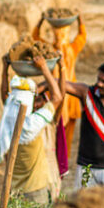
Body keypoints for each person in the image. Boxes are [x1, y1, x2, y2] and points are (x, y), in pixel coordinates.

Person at [0, 56, 64, 203]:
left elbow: (5, 97)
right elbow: (58, 97)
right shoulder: (32, 124)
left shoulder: (8, 121)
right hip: (36, 191)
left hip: (14, 191)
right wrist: (45, 68)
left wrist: (5, 69)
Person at [32, 13, 87, 159]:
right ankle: (59, 159)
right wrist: (80, 21)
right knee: (56, 132)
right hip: (63, 95)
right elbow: (35, 38)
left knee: (59, 133)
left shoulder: (59, 49)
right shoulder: (54, 50)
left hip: (62, 96)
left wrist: (41, 21)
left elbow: (35, 37)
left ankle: (61, 160)